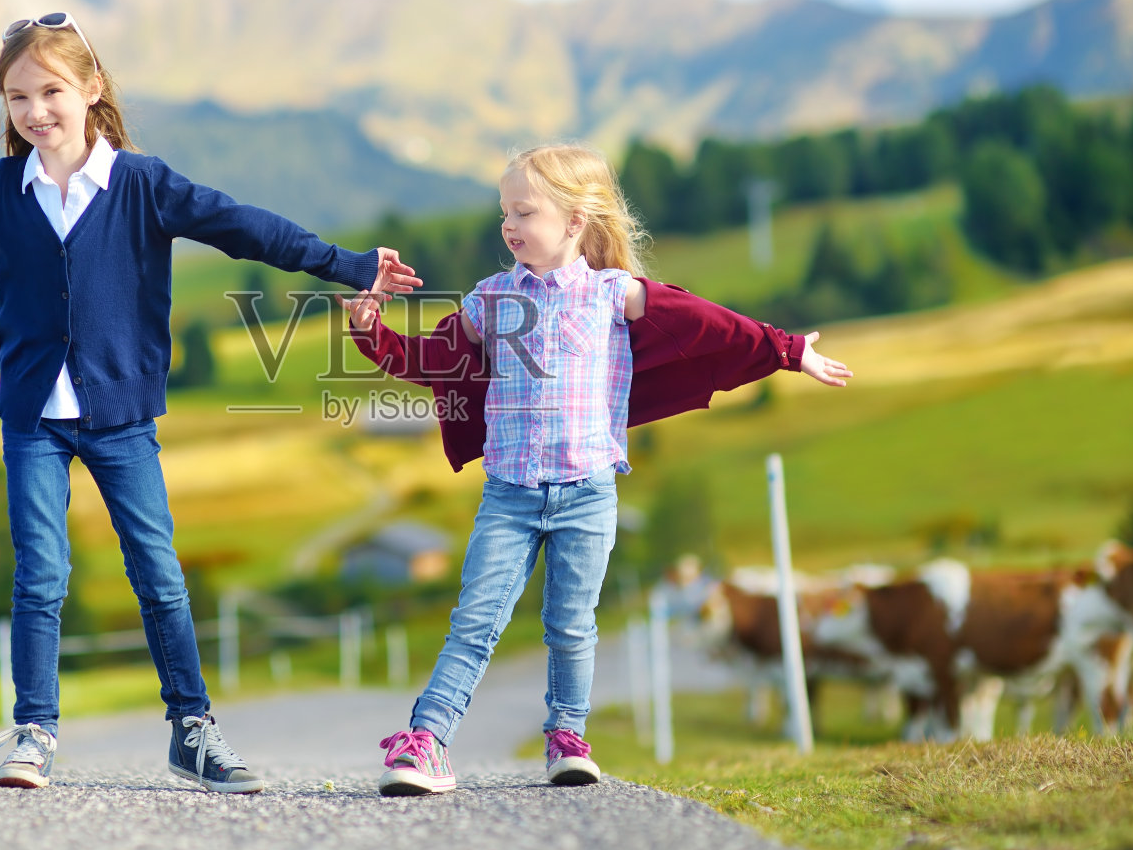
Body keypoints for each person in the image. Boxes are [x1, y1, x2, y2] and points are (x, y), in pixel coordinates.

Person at [0, 11, 421, 792]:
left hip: (120, 417)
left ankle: (193, 727)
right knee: (40, 574)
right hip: (33, 418)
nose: (35, 110)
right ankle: (34, 731)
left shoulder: (143, 185)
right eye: (17, 97)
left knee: (158, 573)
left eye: (50, 90)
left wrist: (348, 266)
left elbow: (247, 228)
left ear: (92, 89)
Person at [340, 143, 852, 795]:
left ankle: (567, 735)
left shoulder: (616, 295)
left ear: (575, 220)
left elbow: (711, 326)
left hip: (588, 492)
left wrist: (787, 349)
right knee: (475, 621)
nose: (509, 224)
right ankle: (427, 741)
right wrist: (370, 334)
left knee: (572, 625)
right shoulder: (489, 300)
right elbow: (433, 361)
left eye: (524, 210)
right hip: (510, 494)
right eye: (505, 211)